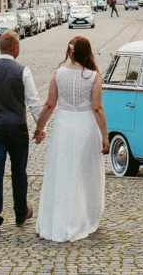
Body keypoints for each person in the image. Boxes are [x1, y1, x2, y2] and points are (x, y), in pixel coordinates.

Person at [34, 37, 108, 242]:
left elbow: (49, 104)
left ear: (70, 52)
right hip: (85, 126)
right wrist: (105, 134)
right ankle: (83, 216)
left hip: (63, 125)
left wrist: (40, 127)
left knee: (61, 170)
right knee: (84, 172)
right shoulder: (93, 76)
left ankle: (56, 218)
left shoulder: (58, 74)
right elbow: (97, 107)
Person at [0, 31, 43, 238]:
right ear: (15, 49)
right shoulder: (23, 71)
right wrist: (40, 128)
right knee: (18, 172)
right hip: (17, 129)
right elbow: (33, 102)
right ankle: (21, 212)